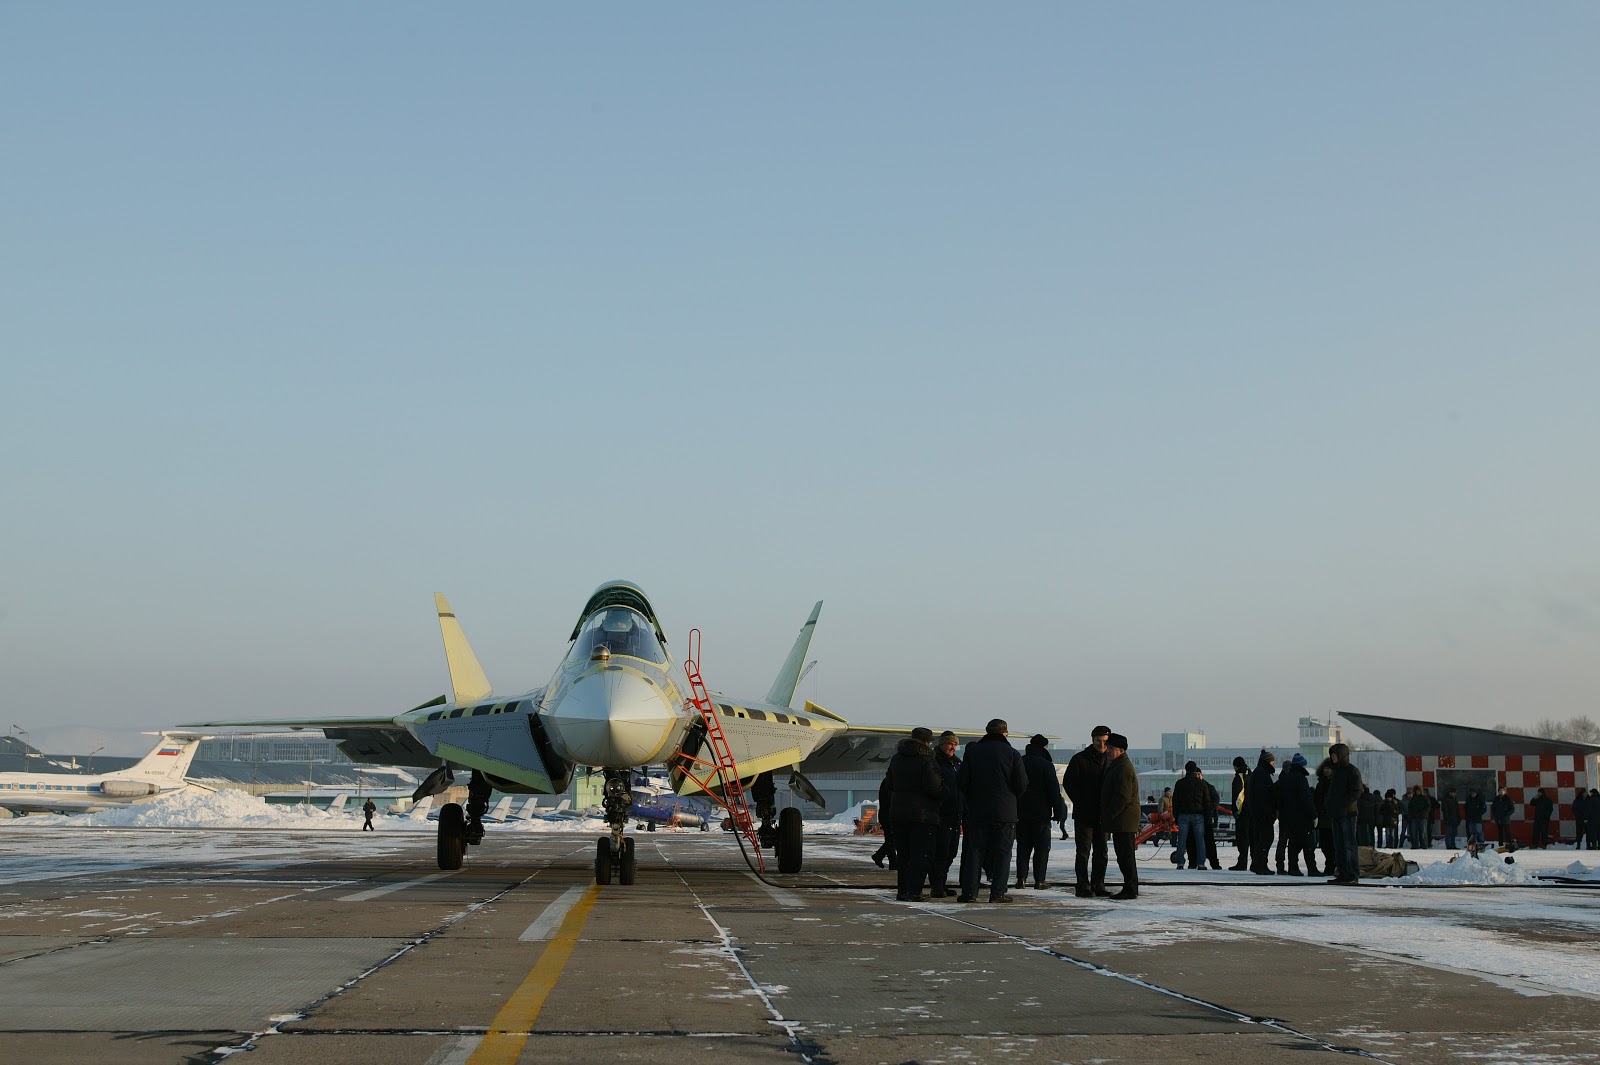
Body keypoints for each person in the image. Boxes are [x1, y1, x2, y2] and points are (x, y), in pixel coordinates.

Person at [957, 718, 1027, 904]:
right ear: (1005, 733)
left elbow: (962, 781)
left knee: (975, 852)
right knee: (1003, 853)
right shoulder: (1012, 753)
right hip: (1005, 812)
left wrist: (973, 797)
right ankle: (998, 893)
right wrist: (1009, 798)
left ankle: (969, 893)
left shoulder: (973, 752)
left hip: (978, 811)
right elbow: (1022, 784)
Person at [885, 726, 945, 901]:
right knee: (921, 854)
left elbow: (890, 784)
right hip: (922, 814)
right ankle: (915, 891)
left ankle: (902, 891)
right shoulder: (927, 760)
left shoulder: (896, 759)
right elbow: (935, 787)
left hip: (898, 813)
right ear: (927, 742)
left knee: (904, 855)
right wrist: (947, 792)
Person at [1063, 725, 1112, 898]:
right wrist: (1081, 801)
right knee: (1083, 851)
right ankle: (1082, 885)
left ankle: (1098, 885)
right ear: (1092, 740)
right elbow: (1068, 783)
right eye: (1098, 741)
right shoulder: (1080, 759)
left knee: (1101, 851)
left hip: (1103, 814)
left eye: (1104, 741)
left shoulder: (1111, 759)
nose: (1101, 744)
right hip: (1084, 813)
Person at [1015, 735, 1069, 889]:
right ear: (1044, 747)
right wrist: (1058, 811)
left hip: (1020, 812)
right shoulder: (1046, 765)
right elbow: (1053, 790)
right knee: (1041, 848)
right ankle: (1039, 880)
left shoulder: (1020, 762)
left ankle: (1021, 879)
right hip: (1041, 814)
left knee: (1023, 847)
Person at [1100, 732, 1141, 899]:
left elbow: (1122, 797)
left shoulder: (1123, 767)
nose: (1108, 751)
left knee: (1126, 856)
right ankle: (1130, 887)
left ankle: (1130, 889)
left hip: (1124, 820)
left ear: (1121, 750)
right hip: (1122, 820)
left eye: (1111, 748)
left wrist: (1109, 815)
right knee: (1124, 856)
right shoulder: (1118, 765)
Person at [929, 731, 964, 897]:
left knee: (951, 852)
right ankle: (937, 885)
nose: (953, 748)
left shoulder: (956, 764)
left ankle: (941, 883)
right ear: (942, 744)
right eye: (950, 744)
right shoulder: (935, 762)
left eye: (955, 745)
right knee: (941, 853)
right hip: (941, 815)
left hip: (955, 814)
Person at [1324, 742, 1364, 884]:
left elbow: (1357, 791)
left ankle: (1352, 874)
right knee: (1339, 846)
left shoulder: (1352, 771)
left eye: (1335, 755)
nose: (1333, 757)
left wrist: (1343, 803)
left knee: (1349, 845)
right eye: (1332, 755)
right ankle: (1342, 873)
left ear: (1341, 755)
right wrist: (1329, 805)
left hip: (1348, 814)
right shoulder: (1337, 772)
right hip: (1336, 813)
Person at [1278, 753, 1318, 876]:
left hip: (1289, 817)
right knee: (1308, 844)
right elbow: (1306, 798)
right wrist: (1313, 814)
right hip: (1302, 817)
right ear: (1301, 766)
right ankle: (1312, 868)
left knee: (1293, 844)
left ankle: (1293, 867)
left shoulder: (1287, 778)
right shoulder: (1301, 779)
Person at [1171, 761, 1209, 870]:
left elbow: (1175, 801)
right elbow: (1206, 801)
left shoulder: (1180, 783)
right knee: (1200, 840)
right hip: (1198, 815)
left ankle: (1180, 863)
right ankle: (1201, 863)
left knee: (1182, 839)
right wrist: (1207, 816)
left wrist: (1176, 816)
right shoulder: (1202, 784)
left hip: (1183, 815)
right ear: (1195, 770)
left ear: (1186, 769)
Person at [1247, 751, 1279, 875]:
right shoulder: (1262, 774)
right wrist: (1270, 812)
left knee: (1261, 839)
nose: (1274, 764)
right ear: (1268, 761)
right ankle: (1261, 865)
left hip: (1258, 813)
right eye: (1272, 761)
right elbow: (1263, 796)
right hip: (1263, 814)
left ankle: (1257, 864)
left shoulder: (1259, 772)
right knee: (1265, 839)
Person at [870, 769, 897, 869]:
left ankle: (893, 862)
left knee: (890, 839)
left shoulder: (887, 781)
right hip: (889, 815)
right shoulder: (891, 783)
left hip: (885, 814)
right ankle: (878, 856)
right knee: (893, 840)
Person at [1228, 756, 1251, 871]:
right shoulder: (1250, 774)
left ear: (1236, 766)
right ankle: (1253, 862)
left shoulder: (1239, 778)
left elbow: (1238, 796)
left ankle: (1242, 863)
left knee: (1242, 839)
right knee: (1250, 837)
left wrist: (1236, 811)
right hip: (1251, 811)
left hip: (1242, 812)